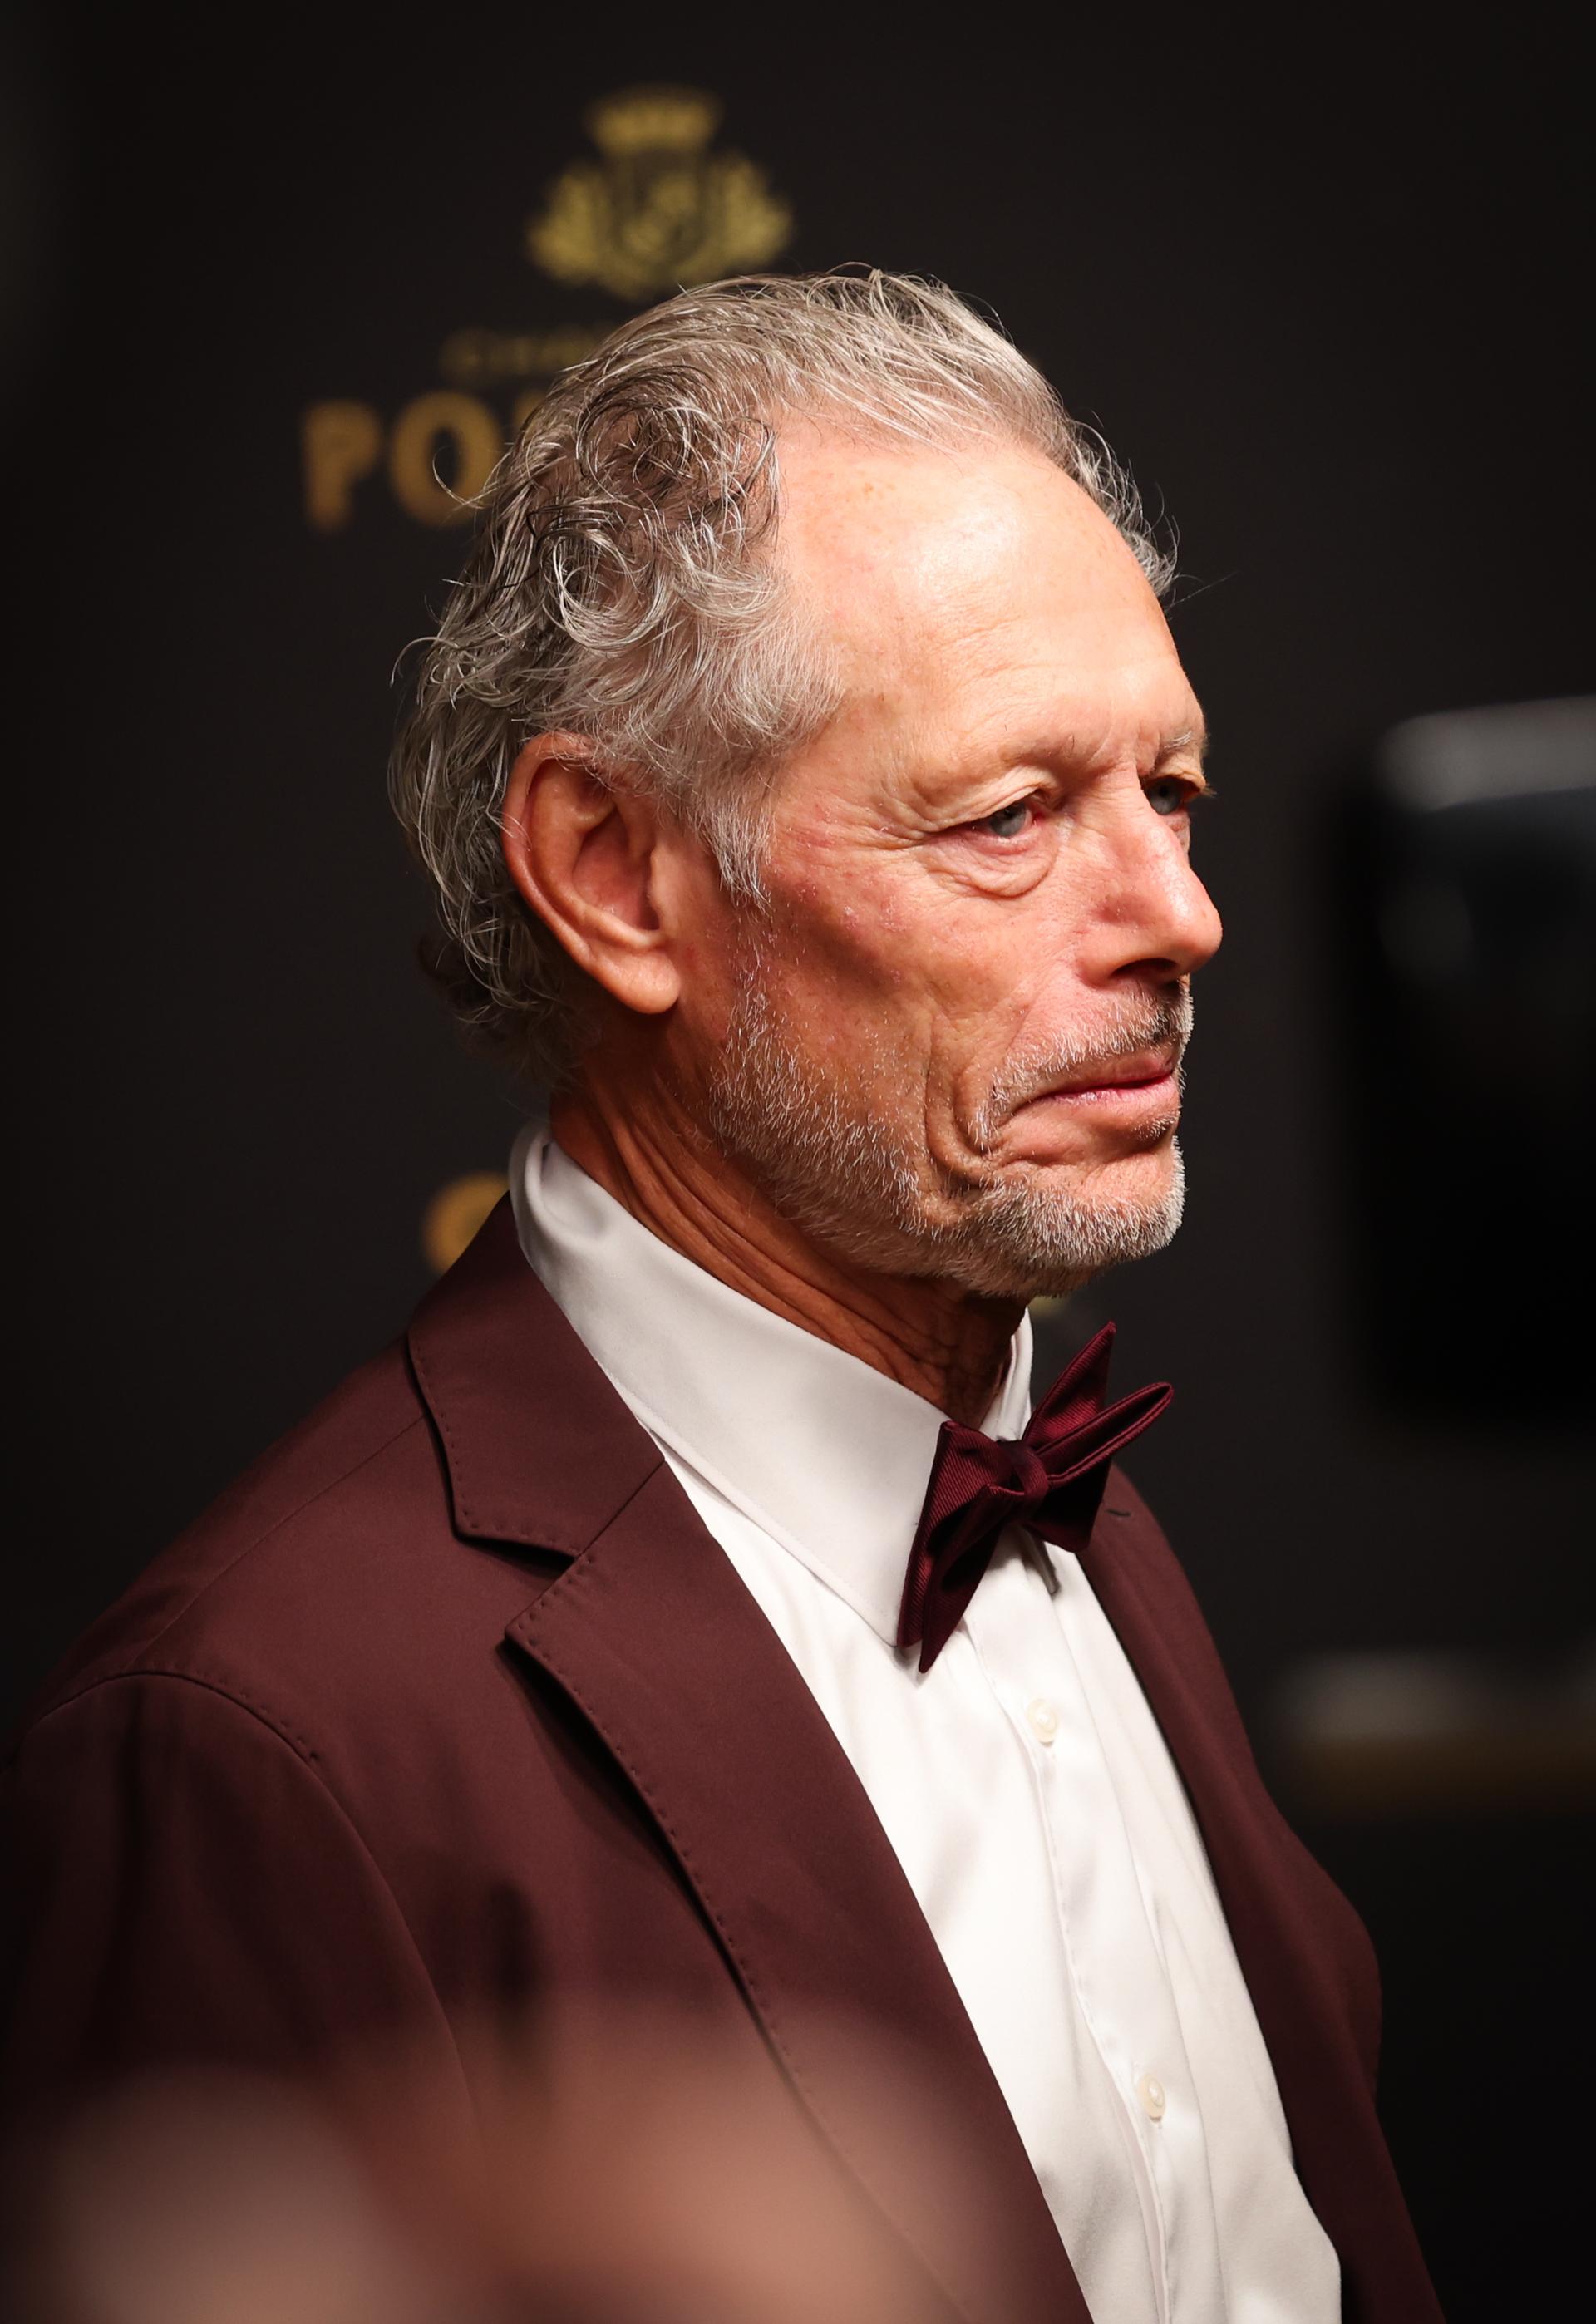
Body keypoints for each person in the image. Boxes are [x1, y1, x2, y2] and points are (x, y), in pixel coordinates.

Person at [1, 272, 1439, 2322]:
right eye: (1013, 818)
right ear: (613, 873)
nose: (1181, 915)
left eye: (1172, 792)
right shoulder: (246, 1748)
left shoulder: (1067, 1506)